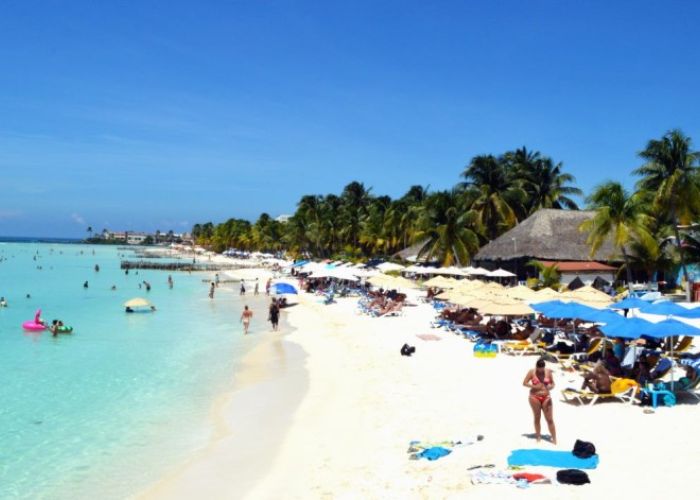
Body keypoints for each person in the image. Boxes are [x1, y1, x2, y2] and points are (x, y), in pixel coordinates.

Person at [522, 359, 557, 445]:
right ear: (536, 367)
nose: (540, 371)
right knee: (537, 417)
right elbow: (524, 383)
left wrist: (550, 387)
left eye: (542, 370)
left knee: (550, 419)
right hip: (534, 397)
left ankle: (554, 438)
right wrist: (534, 386)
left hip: (546, 397)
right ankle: (538, 436)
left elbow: (553, 383)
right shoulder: (531, 372)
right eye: (539, 369)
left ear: (544, 367)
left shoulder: (548, 372)